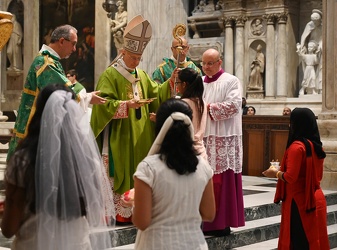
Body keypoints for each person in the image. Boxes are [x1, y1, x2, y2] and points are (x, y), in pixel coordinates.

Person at [1, 84, 115, 250]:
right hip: (76, 244)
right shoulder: (88, 160)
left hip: (34, 244)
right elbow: (93, 214)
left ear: (39, 113)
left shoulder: (23, 161)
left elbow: (8, 229)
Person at [90, 15, 173, 224]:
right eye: (133, 57)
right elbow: (101, 104)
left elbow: (156, 92)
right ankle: (121, 213)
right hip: (121, 134)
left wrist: (170, 83)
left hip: (142, 135)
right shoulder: (110, 75)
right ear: (123, 52)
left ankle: (140, 210)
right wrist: (126, 105)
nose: (137, 61)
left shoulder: (142, 74)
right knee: (122, 170)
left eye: (139, 58)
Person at [6, 24, 106, 161]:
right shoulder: (46, 63)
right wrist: (88, 97)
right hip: (34, 128)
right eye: (73, 44)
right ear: (62, 41)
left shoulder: (49, 61)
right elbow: (65, 93)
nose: (75, 49)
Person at [132, 98, 215, 250]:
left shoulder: (148, 168)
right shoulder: (202, 166)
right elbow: (209, 214)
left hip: (158, 244)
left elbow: (141, 222)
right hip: (194, 244)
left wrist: (134, 203)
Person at [262, 108, 330, 250]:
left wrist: (275, 173)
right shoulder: (317, 147)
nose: (289, 126)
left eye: (291, 122)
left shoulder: (296, 147)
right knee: (315, 240)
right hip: (316, 197)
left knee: (298, 242)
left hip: (299, 202)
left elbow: (290, 177)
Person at [201, 48, 245, 236]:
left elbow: (234, 106)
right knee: (204, 181)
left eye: (210, 63)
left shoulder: (231, 81)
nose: (206, 67)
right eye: (203, 63)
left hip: (224, 137)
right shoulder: (200, 82)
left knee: (220, 182)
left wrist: (205, 108)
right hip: (203, 136)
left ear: (220, 62)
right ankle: (204, 222)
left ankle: (221, 224)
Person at [176, 68, 207, 160]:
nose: (177, 86)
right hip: (201, 152)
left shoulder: (183, 103)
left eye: (178, 83)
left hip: (186, 153)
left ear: (184, 84)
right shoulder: (203, 103)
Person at [299, 9, 323, 94]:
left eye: (316, 21)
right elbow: (304, 36)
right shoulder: (309, 25)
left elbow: (323, 38)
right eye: (313, 21)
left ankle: (319, 88)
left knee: (321, 67)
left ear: (320, 20)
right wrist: (302, 46)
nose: (314, 23)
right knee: (307, 76)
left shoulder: (323, 26)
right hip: (311, 45)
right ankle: (307, 89)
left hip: (320, 47)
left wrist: (320, 45)